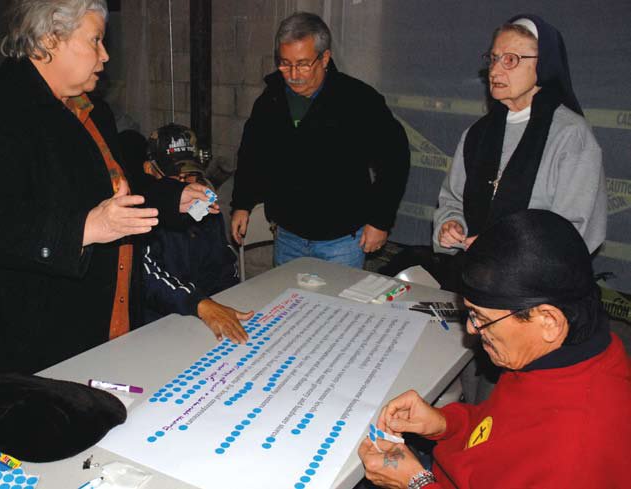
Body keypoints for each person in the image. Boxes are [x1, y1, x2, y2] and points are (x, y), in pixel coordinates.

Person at [0, 0, 213, 418]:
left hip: (106, 321)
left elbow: (116, 184)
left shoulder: (89, 109)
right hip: (38, 344)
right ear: (50, 40)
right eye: (95, 40)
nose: (106, 54)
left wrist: (171, 198)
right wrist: (83, 228)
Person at [358, 209, 631, 489]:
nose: (473, 329)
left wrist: (415, 483)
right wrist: (445, 423)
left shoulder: (576, 456)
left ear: (548, 320)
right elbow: (496, 433)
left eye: (483, 318)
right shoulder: (557, 356)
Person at [231, 12, 410, 269]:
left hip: (342, 241)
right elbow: (251, 155)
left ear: (325, 58)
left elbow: (396, 159)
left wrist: (380, 221)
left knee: (338, 308)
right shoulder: (270, 102)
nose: (293, 74)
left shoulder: (358, 100)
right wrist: (241, 204)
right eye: (285, 63)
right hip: (287, 235)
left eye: (303, 64)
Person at [433, 14, 606, 256]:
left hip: (535, 288)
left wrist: (506, 250)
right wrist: (451, 225)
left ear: (543, 64)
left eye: (510, 60)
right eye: (493, 58)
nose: (494, 70)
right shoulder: (477, 134)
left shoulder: (570, 136)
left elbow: (575, 231)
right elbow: (453, 200)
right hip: (473, 278)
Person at [142, 124, 252, 344]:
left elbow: (223, 265)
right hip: (159, 327)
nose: (188, 184)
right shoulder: (141, 213)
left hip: (203, 316)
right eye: (177, 177)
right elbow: (150, 283)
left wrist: (226, 302)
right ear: (150, 170)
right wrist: (202, 305)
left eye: (192, 174)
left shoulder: (204, 203)